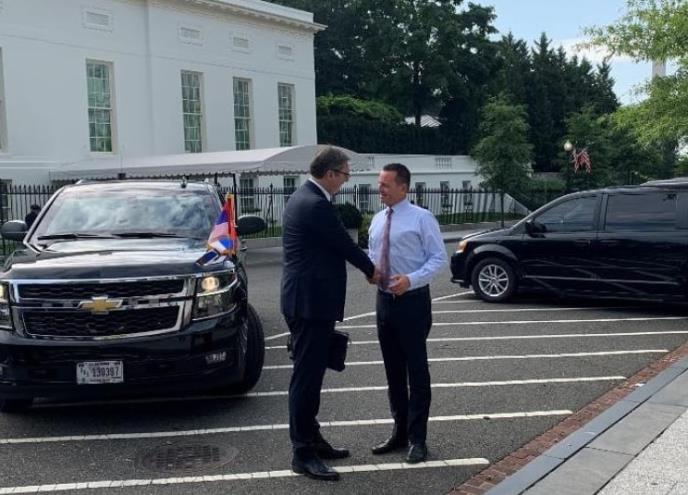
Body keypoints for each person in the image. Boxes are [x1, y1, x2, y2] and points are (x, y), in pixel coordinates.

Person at [281, 146, 378, 481]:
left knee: (311, 376)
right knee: (306, 380)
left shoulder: (302, 197)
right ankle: (302, 453)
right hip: (309, 304)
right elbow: (344, 245)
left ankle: (313, 439)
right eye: (346, 174)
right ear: (331, 173)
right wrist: (373, 271)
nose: (347, 180)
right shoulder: (315, 204)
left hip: (307, 301)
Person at [368, 163, 447, 464]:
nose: (380, 189)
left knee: (417, 372)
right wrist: (370, 270)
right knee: (393, 372)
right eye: (379, 183)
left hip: (412, 303)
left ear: (403, 187)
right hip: (384, 303)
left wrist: (411, 280)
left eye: (385, 184)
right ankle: (399, 432)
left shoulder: (421, 218)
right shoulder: (377, 219)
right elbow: (373, 254)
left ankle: (418, 439)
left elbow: (438, 258)